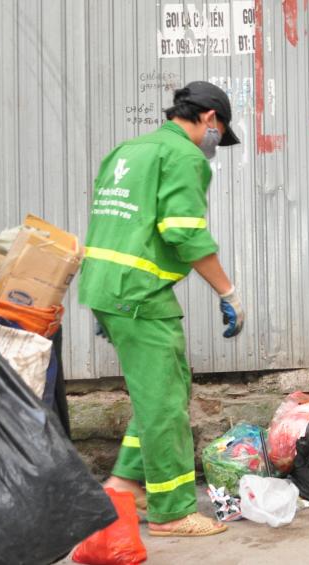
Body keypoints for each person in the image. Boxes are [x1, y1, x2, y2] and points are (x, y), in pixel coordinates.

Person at [78, 81, 245, 537]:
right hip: (140, 293)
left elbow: (110, 223)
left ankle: (125, 482)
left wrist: (106, 298)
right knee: (167, 402)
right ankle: (172, 512)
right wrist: (228, 293)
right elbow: (184, 233)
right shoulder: (183, 157)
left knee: (162, 388)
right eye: (220, 133)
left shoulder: (129, 150)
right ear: (210, 117)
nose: (216, 146)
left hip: (107, 287)